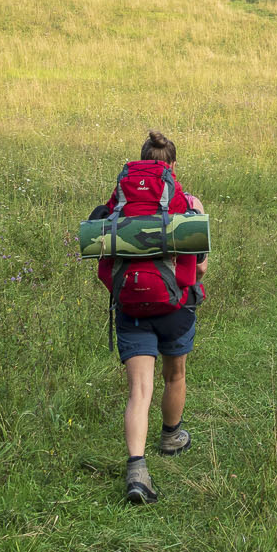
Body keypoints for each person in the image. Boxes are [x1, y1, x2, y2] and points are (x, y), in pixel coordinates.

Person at [90, 130, 204, 504]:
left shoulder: (114, 207)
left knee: (139, 390)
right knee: (175, 375)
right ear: (171, 167)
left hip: (131, 309)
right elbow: (199, 269)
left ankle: (137, 469)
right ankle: (171, 436)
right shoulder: (189, 203)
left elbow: (99, 267)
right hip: (175, 308)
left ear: (140, 160)